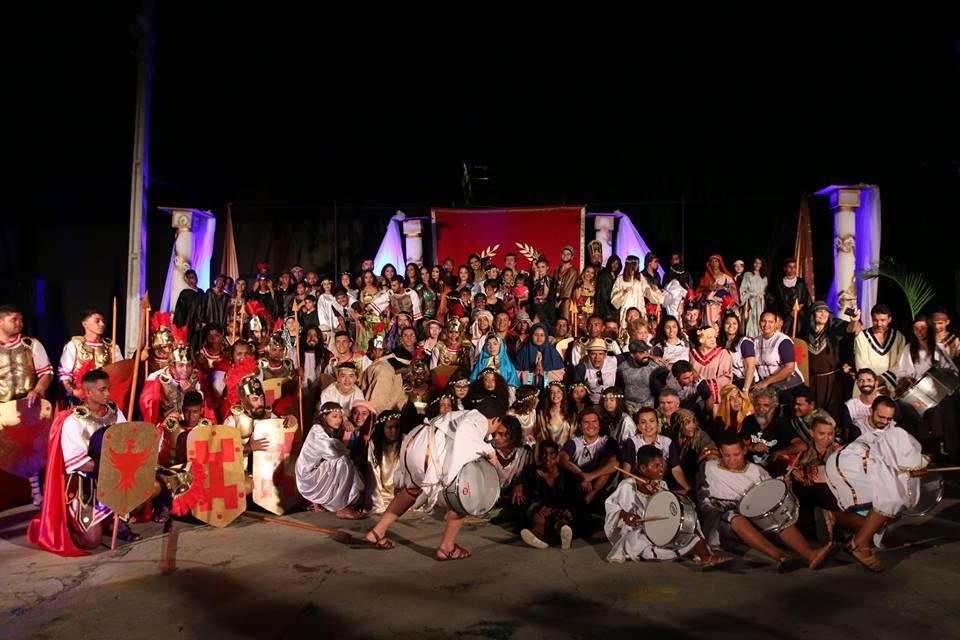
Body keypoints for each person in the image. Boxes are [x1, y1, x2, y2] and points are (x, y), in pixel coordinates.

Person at [364, 399, 510, 560]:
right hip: (428, 450)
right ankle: (447, 547)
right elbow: (465, 433)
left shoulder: (463, 414)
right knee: (462, 496)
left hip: (414, 443)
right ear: (495, 420)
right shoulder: (479, 419)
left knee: (412, 490)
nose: (494, 431)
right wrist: (489, 452)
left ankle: (377, 532)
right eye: (497, 426)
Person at [28, 370, 141, 555]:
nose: (108, 394)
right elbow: (79, 463)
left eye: (109, 389)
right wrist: (112, 467)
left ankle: (113, 521)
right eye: (102, 390)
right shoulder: (73, 421)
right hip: (86, 486)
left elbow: (125, 440)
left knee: (151, 487)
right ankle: (66, 529)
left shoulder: (114, 411)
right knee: (92, 542)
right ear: (88, 392)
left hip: (113, 478)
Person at [697, 432, 833, 571]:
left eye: (736, 454)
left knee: (776, 514)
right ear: (721, 452)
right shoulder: (709, 468)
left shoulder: (757, 471)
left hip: (755, 519)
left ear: (744, 451)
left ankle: (810, 554)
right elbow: (703, 498)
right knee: (733, 517)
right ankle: (780, 557)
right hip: (721, 522)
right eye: (727, 455)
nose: (732, 460)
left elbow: (771, 498)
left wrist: (784, 486)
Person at [825, 396, 929, 572]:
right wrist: (914, 466)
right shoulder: (858, 427)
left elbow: (898, 458)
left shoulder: (893, 429)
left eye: (889, 418)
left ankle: (835, 517)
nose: (885, 422)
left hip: (868, 465)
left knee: (887, 507)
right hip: (853, 464)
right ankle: (859, 544)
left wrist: (915, 465)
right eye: (881, 417)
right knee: (892, 496)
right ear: (871, 411)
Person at [605, 444, 732, 567]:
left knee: (690, 521)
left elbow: (667, 507)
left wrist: (657, 493)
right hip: (637, 531)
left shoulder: (661, 484)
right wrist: (625, 515)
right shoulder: (627, 485)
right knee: (639, 542)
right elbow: (612, 507)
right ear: (643, 468)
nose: (661, 469)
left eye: (662, 464)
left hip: (658, 528)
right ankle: (695, 553)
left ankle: (706, 557)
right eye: (656, 465)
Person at [296, 402, 366, 520]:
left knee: (346, 462)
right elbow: (332, 452)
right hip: (308, 476)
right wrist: (343, 450)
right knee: (342, 462)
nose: (338, 420)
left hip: (317, 471)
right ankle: (341, 507)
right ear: (324, 417)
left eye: (340, 417)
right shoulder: (317, 430)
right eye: (334, 416)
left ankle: (336, 501)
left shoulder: (329, 430)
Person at [516, 440, 584, 550]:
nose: (548, 458)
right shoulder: (532, 472)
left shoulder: (565, 474)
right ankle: (537, 536)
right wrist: (538, 507)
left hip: (559, 509)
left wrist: (570, 509)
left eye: (552, 454)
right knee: (538, 519)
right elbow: (527, 493)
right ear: (539, 456)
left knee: (561, 521)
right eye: (544, 455)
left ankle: (564, 534)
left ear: (557, 456)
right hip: (540, 508)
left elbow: (574, 496)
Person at [804, 300, 862, 421]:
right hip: (812, 381)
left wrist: (854, 321)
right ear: (813, 314)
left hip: (832, 381)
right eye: (820, 311)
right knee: (813, 416)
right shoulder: (805, 333)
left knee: (832, 413)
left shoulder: (834, 329)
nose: (823, 314)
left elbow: (848, 330)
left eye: (826, 312)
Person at [57, 309, 121, 403]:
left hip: (105, 397)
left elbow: (120, 372)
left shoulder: (112, 347)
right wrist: (73, 392)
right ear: (85, 324)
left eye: (103, 321)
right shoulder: (74, 345)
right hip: (79, 399)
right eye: (97, 321)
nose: (102, 324)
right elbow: (64, 374)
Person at [559, 408, 619, 506]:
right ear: (580, 426)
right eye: (586, 422)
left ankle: (587, 499)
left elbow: (615, 463)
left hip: (599, 482)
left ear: (599, 425)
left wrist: (590, 476)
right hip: (578, 480)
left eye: (594, 422)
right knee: (566, 465)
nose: (591, 425)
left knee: (607, 466)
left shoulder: (607, 441)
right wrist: (581, 477)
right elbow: (561, 459)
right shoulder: (573, 442)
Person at [853, 303, 907, 395]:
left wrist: (884, 379)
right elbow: (861, 365)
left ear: (889, 319)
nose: (879, 324)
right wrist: (876, 384)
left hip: (890, 387)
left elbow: (901, 363)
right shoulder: (862, 337)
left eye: (883, 320)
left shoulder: (898, 337)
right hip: (867, 387)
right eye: (875, 320)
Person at [754, 310, 804, 399]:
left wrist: (766, 382)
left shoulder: (783, 341)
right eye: (763, 321)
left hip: (787, 382)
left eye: (770, 322)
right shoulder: (756, 341)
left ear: (776, 324)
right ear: (759, 322)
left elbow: (789, 368)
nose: (766, 325)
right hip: (765, 382)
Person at [620, 407, 679, 478]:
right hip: (638, 481)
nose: (648, 425)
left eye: (652, 421)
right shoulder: (631, 442)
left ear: (658, 423)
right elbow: (626, 470)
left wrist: (686, 485)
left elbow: (676, 469)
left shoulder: (668, 442)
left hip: (662, 482)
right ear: (638, 426)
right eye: (643, 422)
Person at [611, 255, 663, 328]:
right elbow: (614, 297)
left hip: (639, 308)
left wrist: (656, 292)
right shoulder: (621, 279)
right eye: (637, 264)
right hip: (627, 310)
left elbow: (647, 290)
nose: (638, 266)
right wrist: (623, 292)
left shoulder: (640, 277)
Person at [765, 258, 811, 337]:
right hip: (783, 315)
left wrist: (796, 310)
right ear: (785, 268)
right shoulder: (779, 284)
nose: (792, 269)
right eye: (789, 267)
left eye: (794, 267)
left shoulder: (800, 283)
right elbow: (774, 301)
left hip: (798, 315)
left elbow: (805, 299)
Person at [365, 411, 401, 514]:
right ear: (382, 428)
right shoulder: (374, 444)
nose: (394, 431)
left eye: (397, 427)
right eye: (390, 427)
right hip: (381, 492)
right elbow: (373, 474)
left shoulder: (403, 441)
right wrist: (377, 501)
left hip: (399, 491)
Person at [616, 340, 663, 412]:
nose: (646, 355)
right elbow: (619, 390)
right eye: (641, 353)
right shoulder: (622, 369)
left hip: (649, 405)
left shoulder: (654, 367)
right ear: (632, 355)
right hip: (629, 406)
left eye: (647, 352)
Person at [689, 327, 732, 403]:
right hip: (694, 395)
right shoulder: (692, 353)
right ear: (701, 339)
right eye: (709, 337)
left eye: (714, 337)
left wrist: (705, 386)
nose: (713, 340)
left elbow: (726, 377)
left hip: (715, 398)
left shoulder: (722, 353)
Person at [514, 322, 565, 386]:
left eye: (542, 335)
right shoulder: (522, 354)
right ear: (531, 336)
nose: (539, 338)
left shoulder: (553, 353)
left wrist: (544, 374)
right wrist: (532, 374)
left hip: (549, 390)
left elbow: (561, 374)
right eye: (536, 335)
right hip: (528, 390)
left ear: (546, 336)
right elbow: (515, 375)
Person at [697, 254, 739, 328]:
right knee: (709, 329)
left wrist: (723, 287)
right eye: (712, 261)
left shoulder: (726, 278)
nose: (714, 263)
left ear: (720, 263)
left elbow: (734, 291)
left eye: (716, 261)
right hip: (708, 308)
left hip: (721, 307)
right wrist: (708, 289)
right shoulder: (706, 278)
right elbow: (698, 294)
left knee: (721, 326)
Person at [841, 368, 881, 442]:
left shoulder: (886, 402)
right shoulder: (850, 405)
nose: (865, 384)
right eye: (861, 381)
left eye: (869, 380)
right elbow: (846, 433)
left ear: (876, 383)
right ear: (857, 384)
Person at [573, 338, 619, 404]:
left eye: (600, 354)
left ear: (605, 354)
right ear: (588, 355)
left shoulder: (613, 361)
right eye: (593, 354)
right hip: (592, 404)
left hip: (610, 404)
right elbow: (576, 389)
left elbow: (629, 355)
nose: (597, 357)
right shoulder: (582, 367)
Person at [721, 312, 758, 393]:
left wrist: (746, 389)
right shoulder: (722, 343)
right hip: (732, 381)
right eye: (728, 323)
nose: (731, 326)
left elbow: (750, 367)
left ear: (738, 326)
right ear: (723, 325)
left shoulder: (744, 342)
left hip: (747, 382)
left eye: (734, 323)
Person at [535, 381, 576, 452]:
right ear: (549, 395)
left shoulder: (571, 413)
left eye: (558, 391)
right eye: (552, 392)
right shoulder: (543, 414)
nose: (555, 394)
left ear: (563, 394)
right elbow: (541, 436)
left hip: (567, 453)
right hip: (550, 453)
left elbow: (573, 436)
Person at [173, 269, 205, 350]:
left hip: (200, 324)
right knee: (189, 344)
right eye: (191, 277)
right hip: (189, 324)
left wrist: (203, 320)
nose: (194, 279)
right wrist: (181, 326)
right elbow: (180, 311)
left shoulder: (201, 292)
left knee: (199, 345)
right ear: (187, 280)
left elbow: (204, 307)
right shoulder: (185, 293)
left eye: (194, 277)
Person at [739, 257, 767, 338]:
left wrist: (761, 295)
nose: (757, 265)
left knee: (760, 322)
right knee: (751, 322)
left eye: (759, 263)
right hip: (751, 303)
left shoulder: (764, 277)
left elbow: (765, 291)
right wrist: (752, 294)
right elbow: (742, 290)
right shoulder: (748, 275)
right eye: (756, 263)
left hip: (760, 304)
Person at [553, 245, 580, 330]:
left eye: (568, 254)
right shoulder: (558, 269)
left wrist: (560, 301)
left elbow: (568, 287)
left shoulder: (573, 270)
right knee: (556, 322)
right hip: (555, 300)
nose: (565, 256)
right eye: (563, 254)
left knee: (565, 321)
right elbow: (554, 284)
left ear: (572, 257)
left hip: (565, 301)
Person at [595, 255, 622, 323]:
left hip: (615, 307)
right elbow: (603, 295)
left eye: (617, 263)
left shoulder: (617, 277)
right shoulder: (604, 275)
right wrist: (607, 311)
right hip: (605, 307)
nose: (614, 265)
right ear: (609, 263)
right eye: (613, 263)